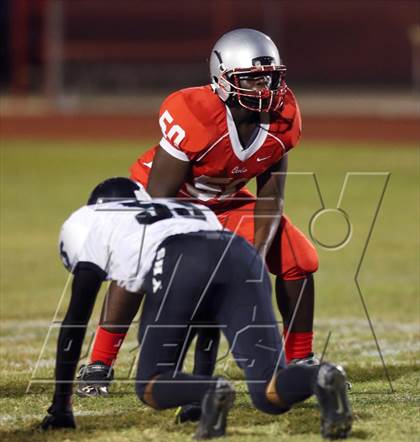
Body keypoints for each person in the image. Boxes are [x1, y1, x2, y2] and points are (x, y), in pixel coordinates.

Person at [83, 28, 319, 397]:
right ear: (222, 79)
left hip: (225, 201)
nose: (266, 89)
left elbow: (271, 198)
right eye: (252, 79)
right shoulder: (194, 113)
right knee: (139, 259)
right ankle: (99, 363)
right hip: (168, 199)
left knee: (298, 258)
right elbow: (161, 199)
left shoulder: (283, 117)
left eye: (270, 78)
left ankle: (302, 361)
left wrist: (251, 258)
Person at [41, 192, 353, 440]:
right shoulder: (180, 210)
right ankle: (320, 376)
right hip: (241, 253)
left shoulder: (94, 226)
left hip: (181, 261)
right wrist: (198, 398)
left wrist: (61, 407)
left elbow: (74, 324)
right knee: (268, 392)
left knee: (150, 384)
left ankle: (207, 390)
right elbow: (210, 313)